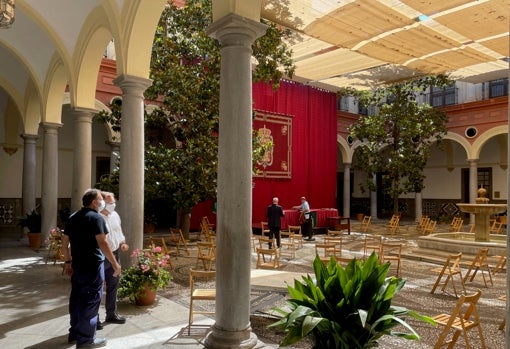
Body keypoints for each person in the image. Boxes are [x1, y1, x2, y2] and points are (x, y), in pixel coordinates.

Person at [61, 189, 121, 348]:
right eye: (101, 199)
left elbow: (64, 242)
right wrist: (115, 264)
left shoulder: (73, 217)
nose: (103, 202)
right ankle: (86, 340)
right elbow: (103, 242)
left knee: (77, 299)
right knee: (91, 300)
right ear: (94, 202)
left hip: (77, 265)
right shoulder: (96, 218)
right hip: (93, 266)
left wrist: (68, 262)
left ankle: (74, 333)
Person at [99, 191, 129, 325]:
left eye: (113, 202)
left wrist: (122, 243)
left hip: (115, 253)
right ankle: (95, 320)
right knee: (97, 288)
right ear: (102, 203)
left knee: (113, 286)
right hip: (100, 256)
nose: (113, 205)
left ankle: (111, 314)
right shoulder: (97, 218)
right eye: (109, 203)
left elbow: (119, 232)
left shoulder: (115, 215)